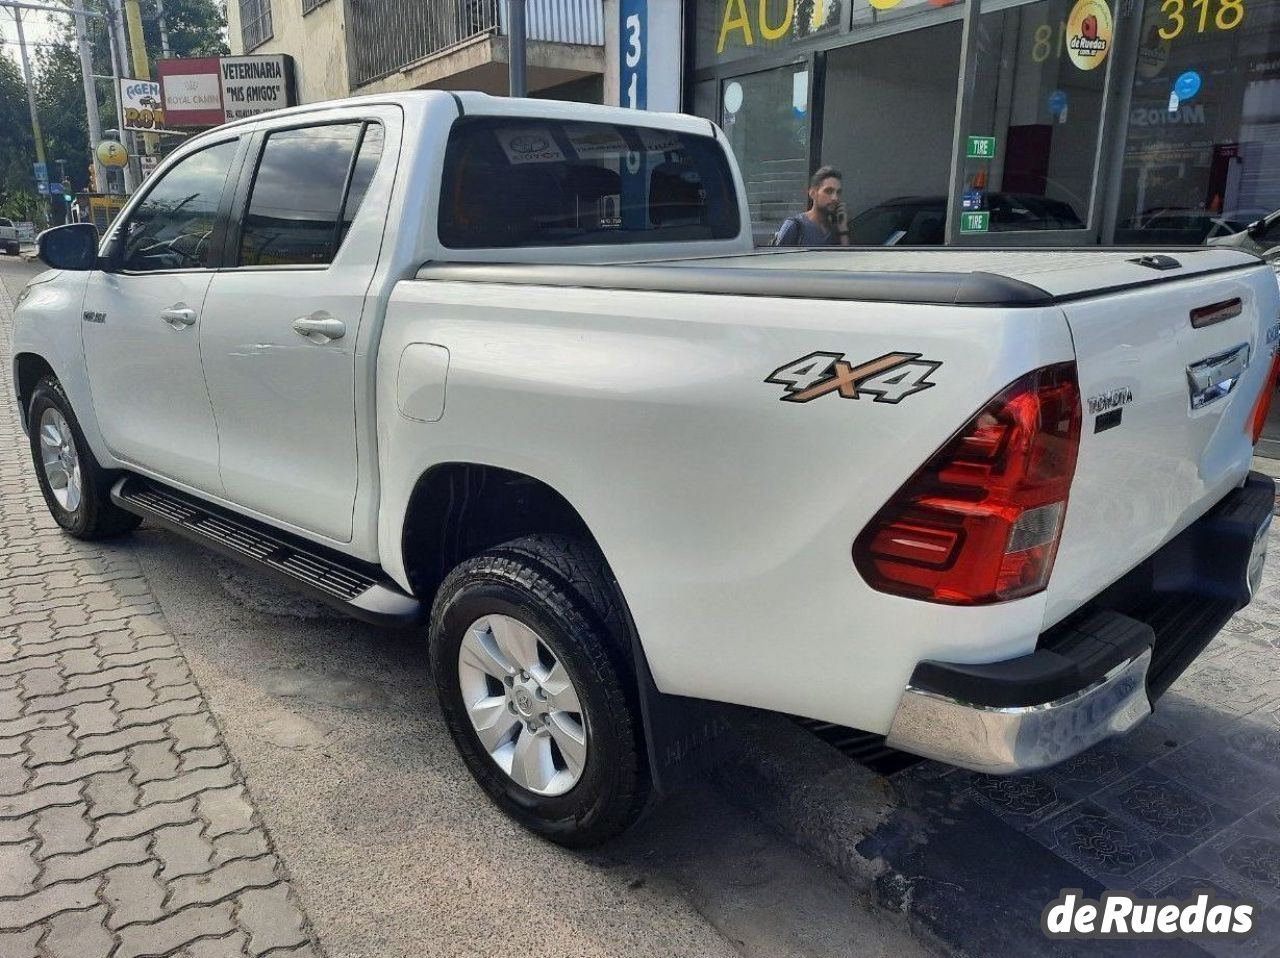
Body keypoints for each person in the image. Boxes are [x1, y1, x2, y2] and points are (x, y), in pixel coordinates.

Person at [772, 166, 850, 246]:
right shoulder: (795, 226)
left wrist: (843, 230)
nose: (835, 198)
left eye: (838, 192)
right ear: (812, 193)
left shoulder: (835, 230)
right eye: (828, 191)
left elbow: (845, 257)